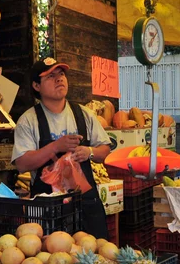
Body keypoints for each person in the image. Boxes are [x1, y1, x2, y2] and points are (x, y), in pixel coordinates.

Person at [11, 57, 112, 239]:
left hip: (85, 204)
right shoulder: (28, 120)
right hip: (48, 209)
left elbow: (104, 150)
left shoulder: (84, 114)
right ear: (36, 86)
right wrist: (56, 146)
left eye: (61, 74)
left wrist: (89, 152)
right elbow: (22, 163)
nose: (59, 79)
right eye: (50, 76)